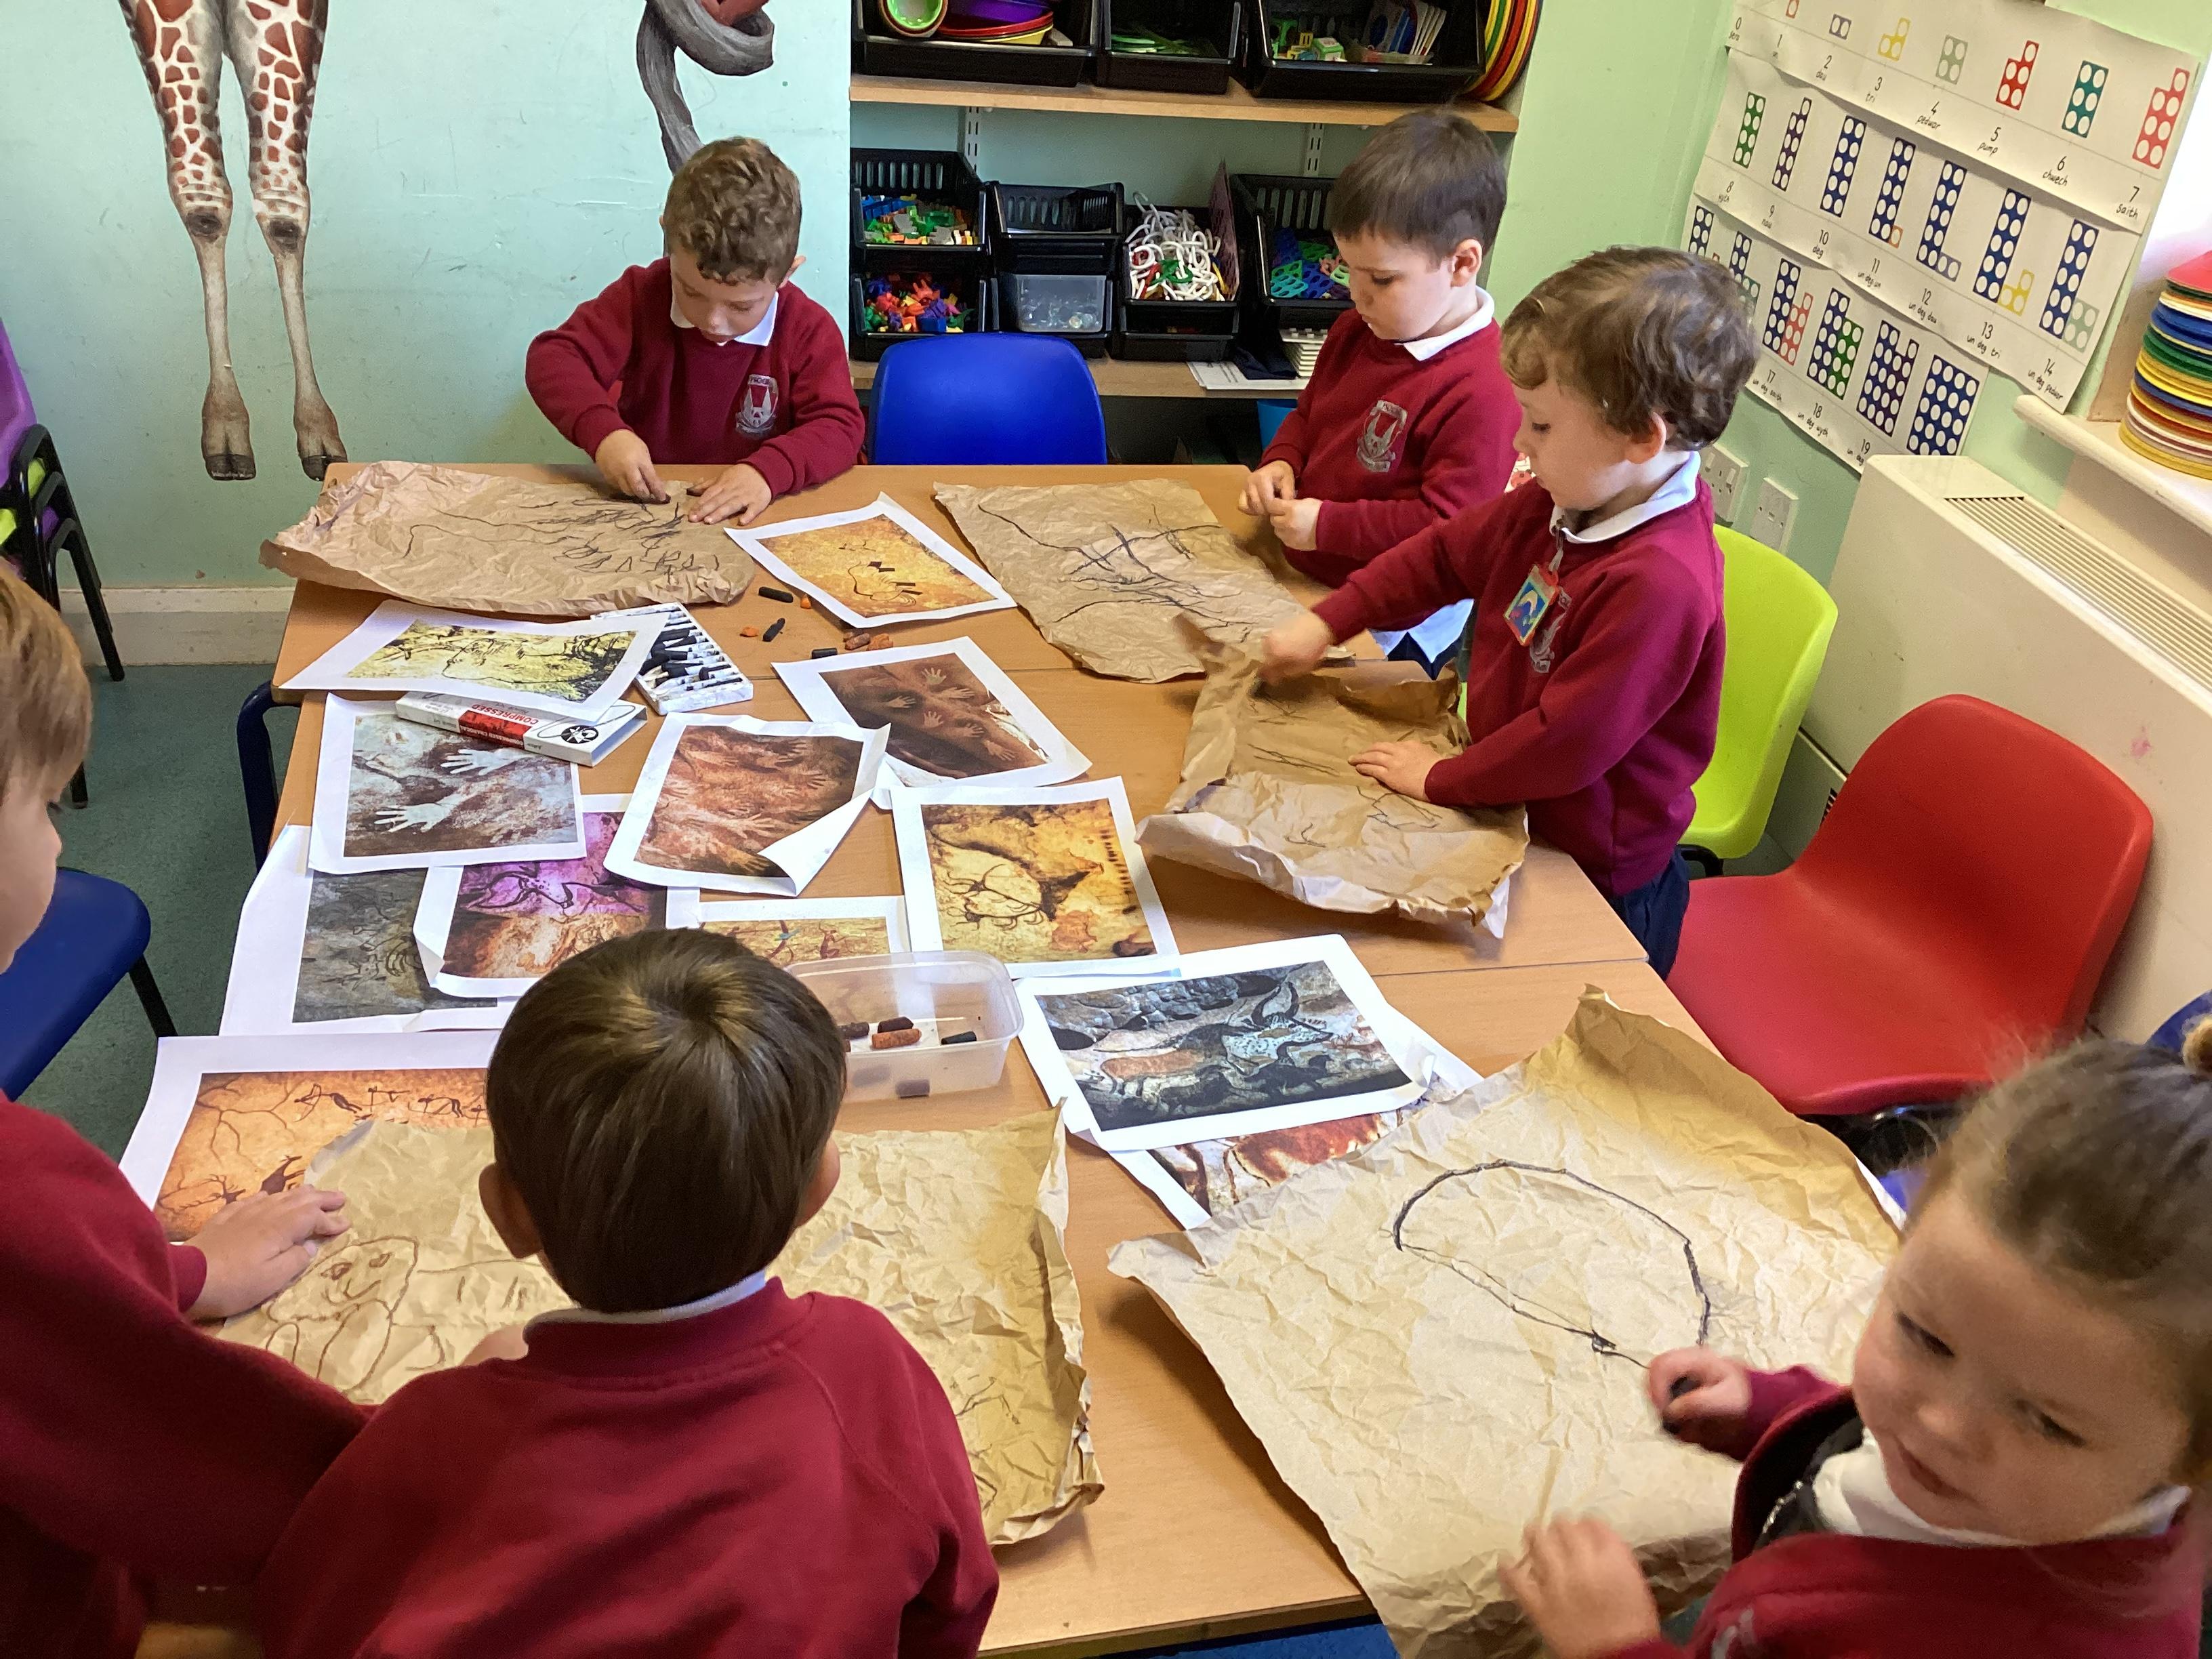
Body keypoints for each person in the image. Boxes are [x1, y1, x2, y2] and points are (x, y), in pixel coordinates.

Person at [255, 929, 998, 1658]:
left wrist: (473, 1397)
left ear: (506, 1214)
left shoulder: (432, 1430)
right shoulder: (866, 1372)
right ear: (819, 1190)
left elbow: (304, 1616)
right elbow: (954, 1604)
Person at [1502, 1029, 2212, 1658]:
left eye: (2046, 1422)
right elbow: (1864, 1434)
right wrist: (1767, 1409)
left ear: (2194, 1458)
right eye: (1925, 1337)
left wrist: (1619, 1647)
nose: (1939, 1423)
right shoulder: (2018, 1445)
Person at [0, 566, 363, 1658]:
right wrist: (476, 1442)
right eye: (42, 806)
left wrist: (184, 1273)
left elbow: (46, 1309)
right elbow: (225, 1475)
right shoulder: (24, 1194)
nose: (61, 844)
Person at [1261, 247, 1757, 976]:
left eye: (1543, 426)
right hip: (1512, 808)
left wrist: (1441, 779)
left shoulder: (1659, 583)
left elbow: (1566, 742)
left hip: (1594, 874)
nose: (1520, 443)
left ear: (1640, 438)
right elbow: (1442, 557)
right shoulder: (1567, 498)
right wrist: (1330, 620)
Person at [1239, 107, 1519, 673]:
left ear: (1462, 263)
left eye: (1382, 280)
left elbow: (1447, 529)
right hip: (1307, 580)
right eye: (1349, 270)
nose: (1356, 294)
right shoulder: (1358, 328)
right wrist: (1282, 461)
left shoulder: (1487, 387)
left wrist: (1329, 526)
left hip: (1396, 625)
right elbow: (1311, 416)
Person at [526, 136, 865, 527]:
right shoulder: (640, 296)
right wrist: (605, 435)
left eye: (741, 306)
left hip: (762, 515)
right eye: (691, 291)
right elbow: (553, 358)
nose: (713, 321)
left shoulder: (807, 328)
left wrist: (768, 472)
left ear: (786, 275)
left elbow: (840, 426)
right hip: (656, 511)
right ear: (668, 242)